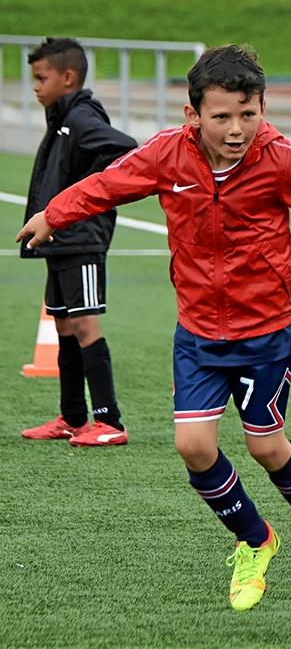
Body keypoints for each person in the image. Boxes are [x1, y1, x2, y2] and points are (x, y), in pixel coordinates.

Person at [17, 44, 291, 610]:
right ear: (193, 115)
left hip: (266, 332)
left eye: (248, 113)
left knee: (265, 446)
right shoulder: (168, 155)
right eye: (222, 117)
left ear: (262, 107)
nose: (237, 130)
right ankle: (256, 540)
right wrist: (52, 213)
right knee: (193, 446)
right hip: (199, 335)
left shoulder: (278, 159)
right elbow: (105, 184)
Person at [19, 38, 137, 447]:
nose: (34, 86)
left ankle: (110, 421)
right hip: (60, 240)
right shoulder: (62, 119)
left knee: (85, 325)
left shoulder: (82, 117)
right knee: (65, 326)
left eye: (41, 78)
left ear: (67, 78)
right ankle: (72, 417)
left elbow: (124, 149)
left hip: (81, 238)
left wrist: (89, 198)